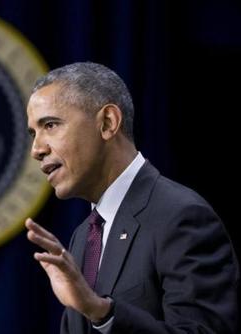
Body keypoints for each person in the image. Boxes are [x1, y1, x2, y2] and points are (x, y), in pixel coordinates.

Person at [25, 62, 239, 334]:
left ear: (107, 123)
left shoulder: (181, 216)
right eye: (34, 133)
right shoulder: (84, 237)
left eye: (50, 125)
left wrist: (102, 312)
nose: (36, 149)